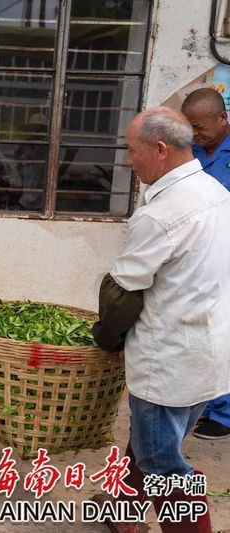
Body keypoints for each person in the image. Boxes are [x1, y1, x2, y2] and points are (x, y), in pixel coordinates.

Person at [91, 107, 228, 532]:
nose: (129, 162)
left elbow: (123, 291)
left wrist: (105, 339)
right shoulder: (215, 193)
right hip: (211, 354)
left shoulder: (159, 215)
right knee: (150, 443)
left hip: (167, 361)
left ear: (161, 149)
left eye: (132, 152)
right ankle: (121, 516)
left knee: (162, 465)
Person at [181, 87, 230, 440]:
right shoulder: (192, 153)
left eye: (200, 127)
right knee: (203, 332)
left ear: (223, 118)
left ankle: (224, 414)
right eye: (190, 128)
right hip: (199, 256)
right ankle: (206, 404)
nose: (196, 135)